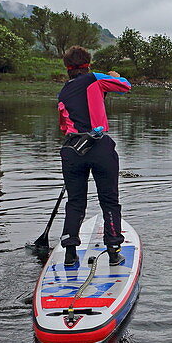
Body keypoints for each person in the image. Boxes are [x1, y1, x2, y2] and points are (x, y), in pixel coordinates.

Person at [56, 45, 132, 266]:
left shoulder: (63, 91)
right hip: (99, 147)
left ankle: (70, 253)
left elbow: (64, 125)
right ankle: (113, 251)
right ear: (88, 63)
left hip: (72, 149)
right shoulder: (95, 79)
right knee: (109, 200)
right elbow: (125, 87)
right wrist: (116, 77)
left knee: (75, 201)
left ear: (67, 68)